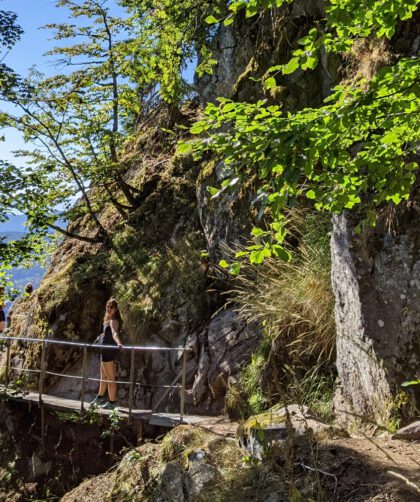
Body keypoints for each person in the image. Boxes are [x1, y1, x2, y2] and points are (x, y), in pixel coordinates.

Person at [90, 298, 124, 409]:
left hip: (108, 352)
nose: (108, 309)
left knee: (110, 377)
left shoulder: (114, 321)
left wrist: (119, 343)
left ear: (115, 309)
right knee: (103, 376)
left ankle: (112, 402)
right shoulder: (107, 320)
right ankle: (100, 397)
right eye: (107, 306)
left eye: (111, 307)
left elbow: (114, 334)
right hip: (104, 350)